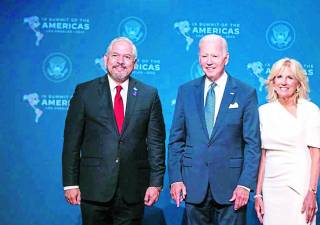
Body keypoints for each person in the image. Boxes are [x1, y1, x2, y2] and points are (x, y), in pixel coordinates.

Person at [62, 37, 166, 225]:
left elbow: (156, 143)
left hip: (133, 190)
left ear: (134, 63)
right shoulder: (85, 92)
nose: (120, 61)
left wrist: (155, 183)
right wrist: (70, 183)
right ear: (105, 59)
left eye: (127, 57)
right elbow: (71, 142)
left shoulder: (148, 94)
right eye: (115, 55)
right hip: (93, 187)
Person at [168, 34, 261, 225]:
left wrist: (245, 184)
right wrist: (176, 178)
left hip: (232, 189)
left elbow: (252, 144)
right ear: (198, 58)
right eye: (204, 56)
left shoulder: (245, 93)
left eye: (215, 56)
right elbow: (176, 140)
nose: (209, 62)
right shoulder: (186, 91)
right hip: (193, 185)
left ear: (226, 58)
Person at [254, 58, 320, 225]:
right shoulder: (263, 112)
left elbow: (316, 155)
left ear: (298, 83)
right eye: (279, 77)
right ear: (272, 82)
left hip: (300, 186)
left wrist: (312, 192)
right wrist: (258, 194)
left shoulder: (310, 110)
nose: (283, 82)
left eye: (289, 78)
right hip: (271, 188)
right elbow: (263, 156)